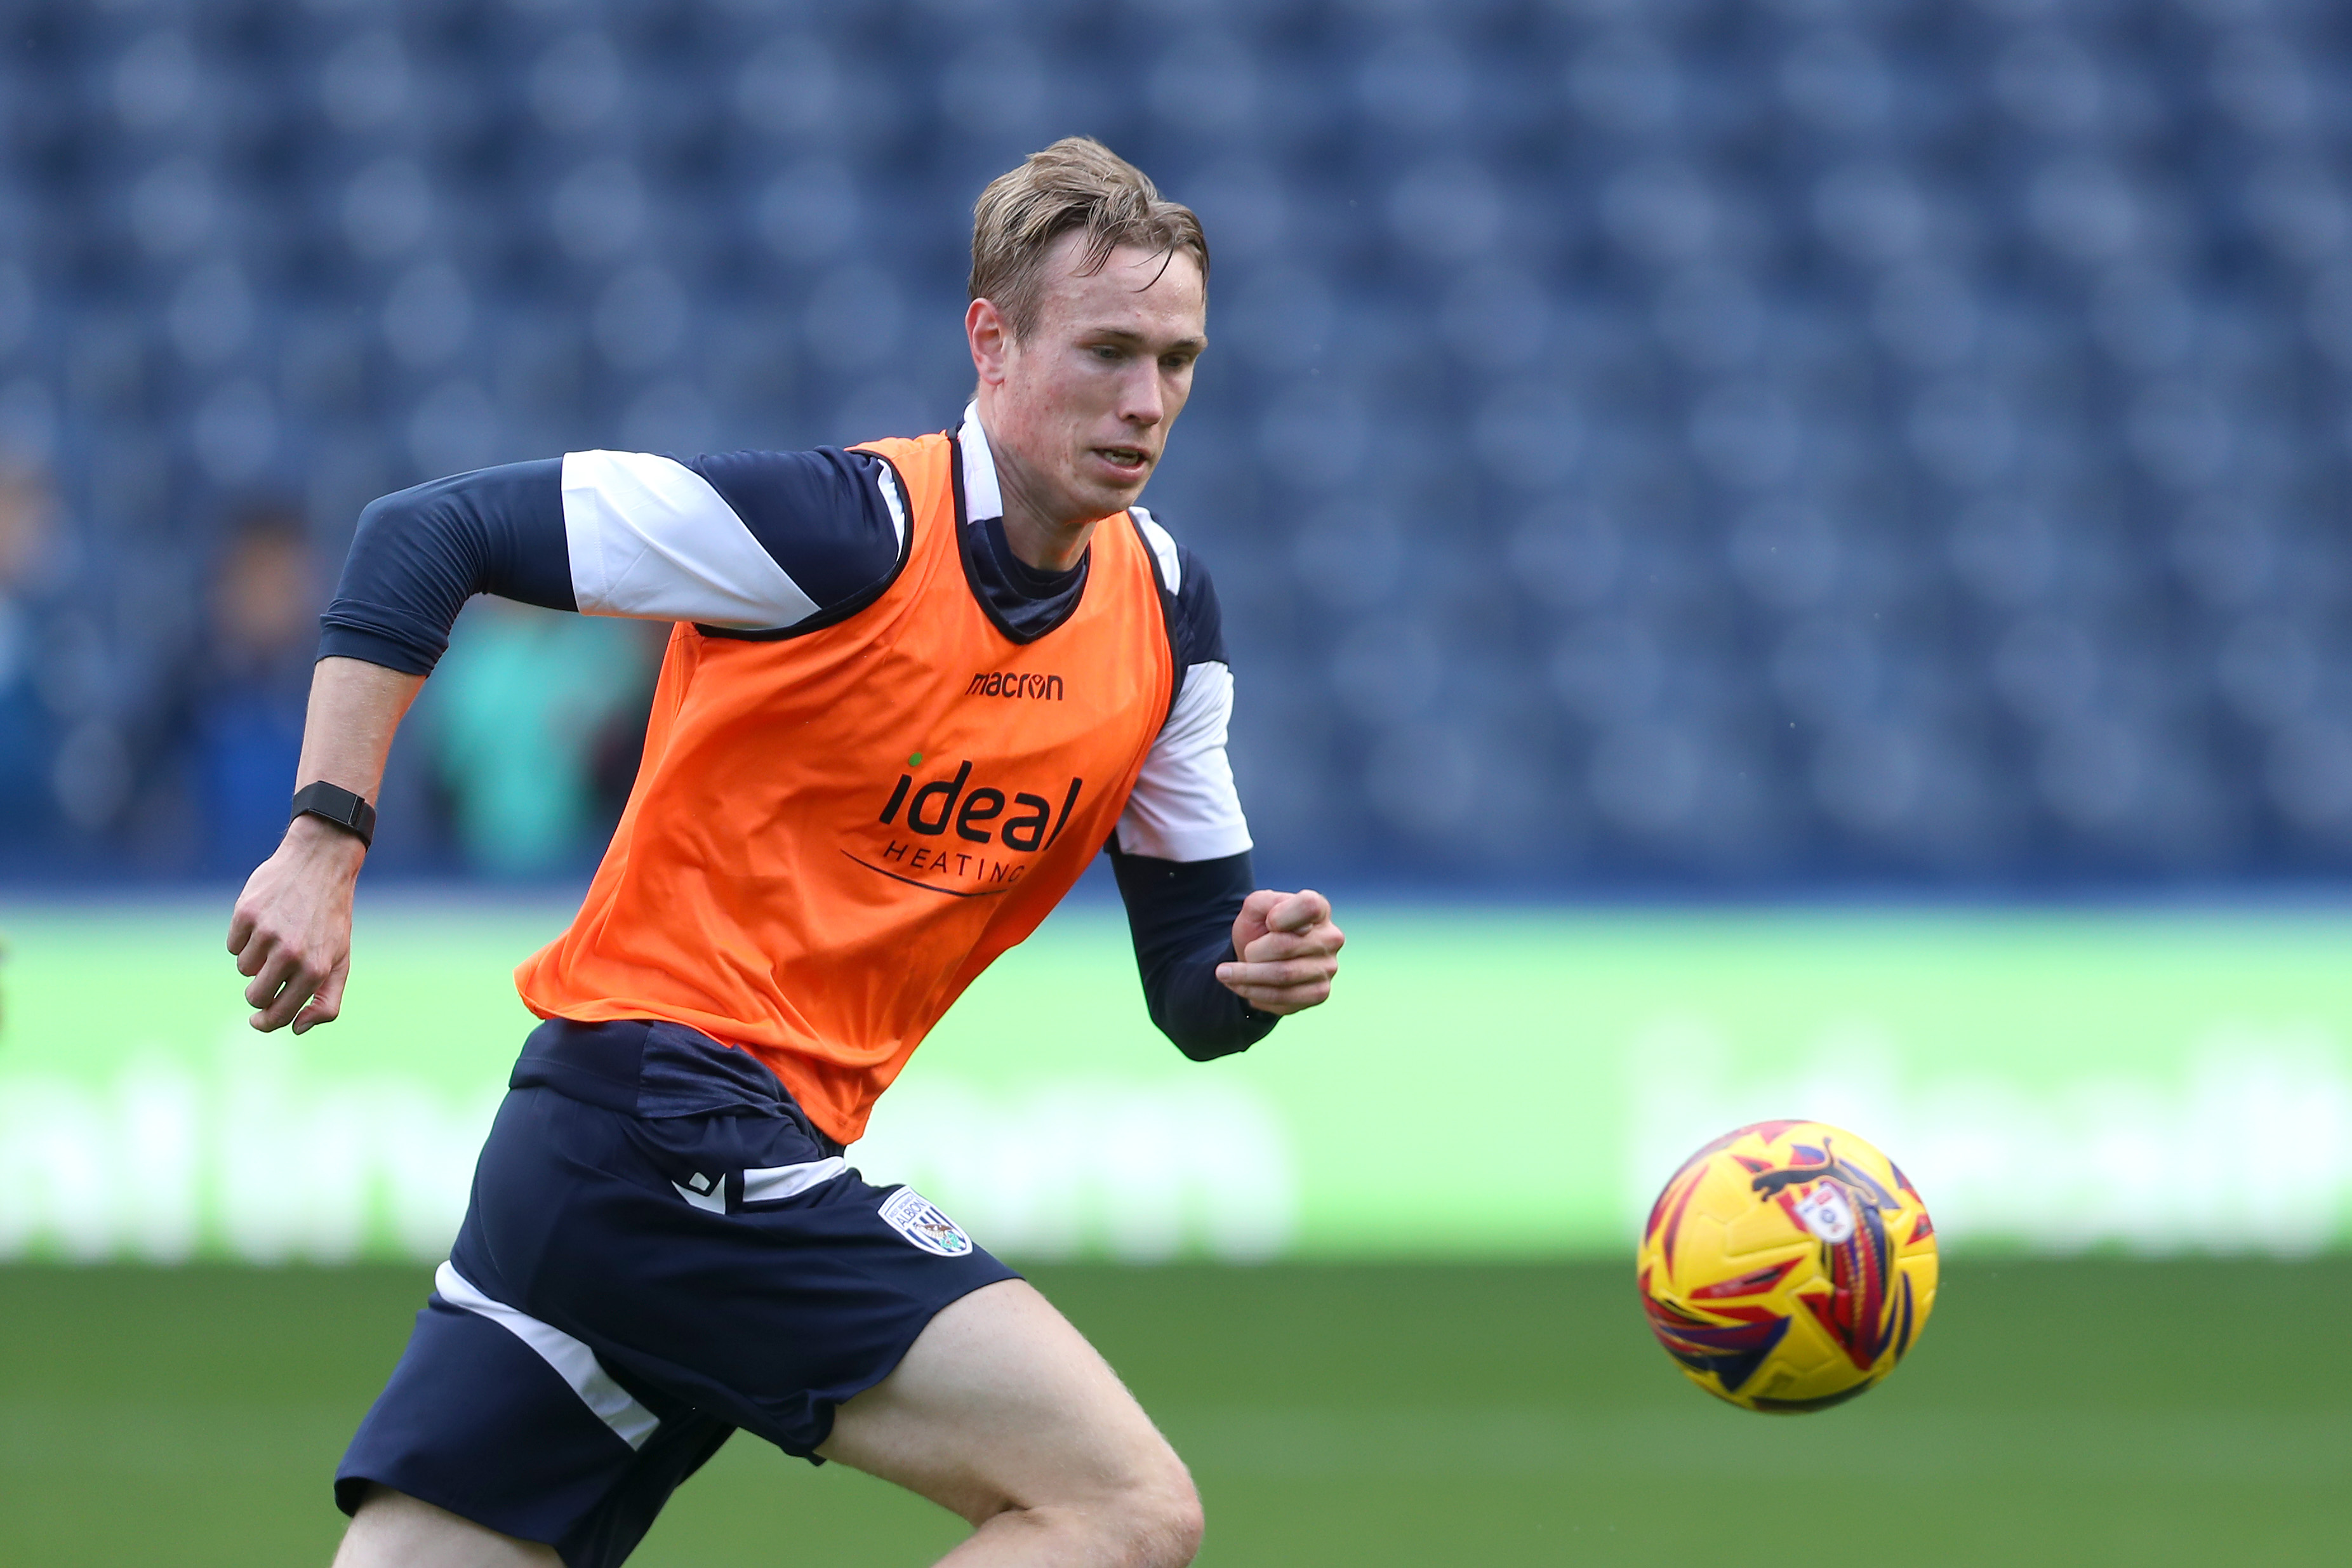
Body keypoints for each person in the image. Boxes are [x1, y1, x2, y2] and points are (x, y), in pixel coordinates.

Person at [226, 137, 1344, 1568]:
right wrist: (326, 843)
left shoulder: (1167, 611)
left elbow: (1188, 983)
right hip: (670, 1115)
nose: (1145, 401)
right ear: (989, 344)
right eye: (1108, 350)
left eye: (1177, 360)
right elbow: (421, 532)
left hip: (598, 1168)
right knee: (1120, 1506)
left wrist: (1252, 969)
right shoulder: (842, 530)